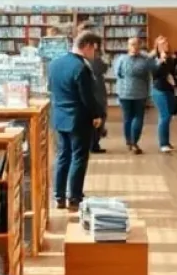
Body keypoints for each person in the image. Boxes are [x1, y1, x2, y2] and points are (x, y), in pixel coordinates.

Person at [47, 29, 105, 211]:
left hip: (59, 117)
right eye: (94, 50)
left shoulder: (54, 64)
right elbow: (87, 97)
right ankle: (75, 197)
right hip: (79, 119)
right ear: (87, 46)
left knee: (62, 156)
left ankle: (58, 196)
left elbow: (51, 88)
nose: (94, 54)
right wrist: (97, 115)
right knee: (79, 157)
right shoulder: (81, 67)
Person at [112, 36, 151, 154]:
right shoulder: (144, 60)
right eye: (132, 44)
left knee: (128, 118)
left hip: (128, 92)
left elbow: (117, 73)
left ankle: (130, 141)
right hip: (136, 93)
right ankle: (133, 142)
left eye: (135, 44)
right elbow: (147, 76)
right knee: (137, 117)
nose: (133, 47)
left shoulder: (121, 59)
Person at [77, 23, 109, 154]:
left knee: (100, 113)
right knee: (94, 114)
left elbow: (103, 68)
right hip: (90, 85)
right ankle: (92, 143)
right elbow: (99, 68)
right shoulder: (83, 52)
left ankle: (94, 142)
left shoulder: (97, 50)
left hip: (98, 86)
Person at [150, 36, 177, 154]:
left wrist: (166, 60)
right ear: (157, 46)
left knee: (169, 115)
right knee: (164, 115)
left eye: (166, 43)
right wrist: (160, 61)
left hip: (169, 89)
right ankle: (163, 144)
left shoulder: (170, 58)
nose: (165, 45)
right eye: (162, 44)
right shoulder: (153, 59)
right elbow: (155, 74)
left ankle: (166, 141)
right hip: (158, 90)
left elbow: (170, 71)